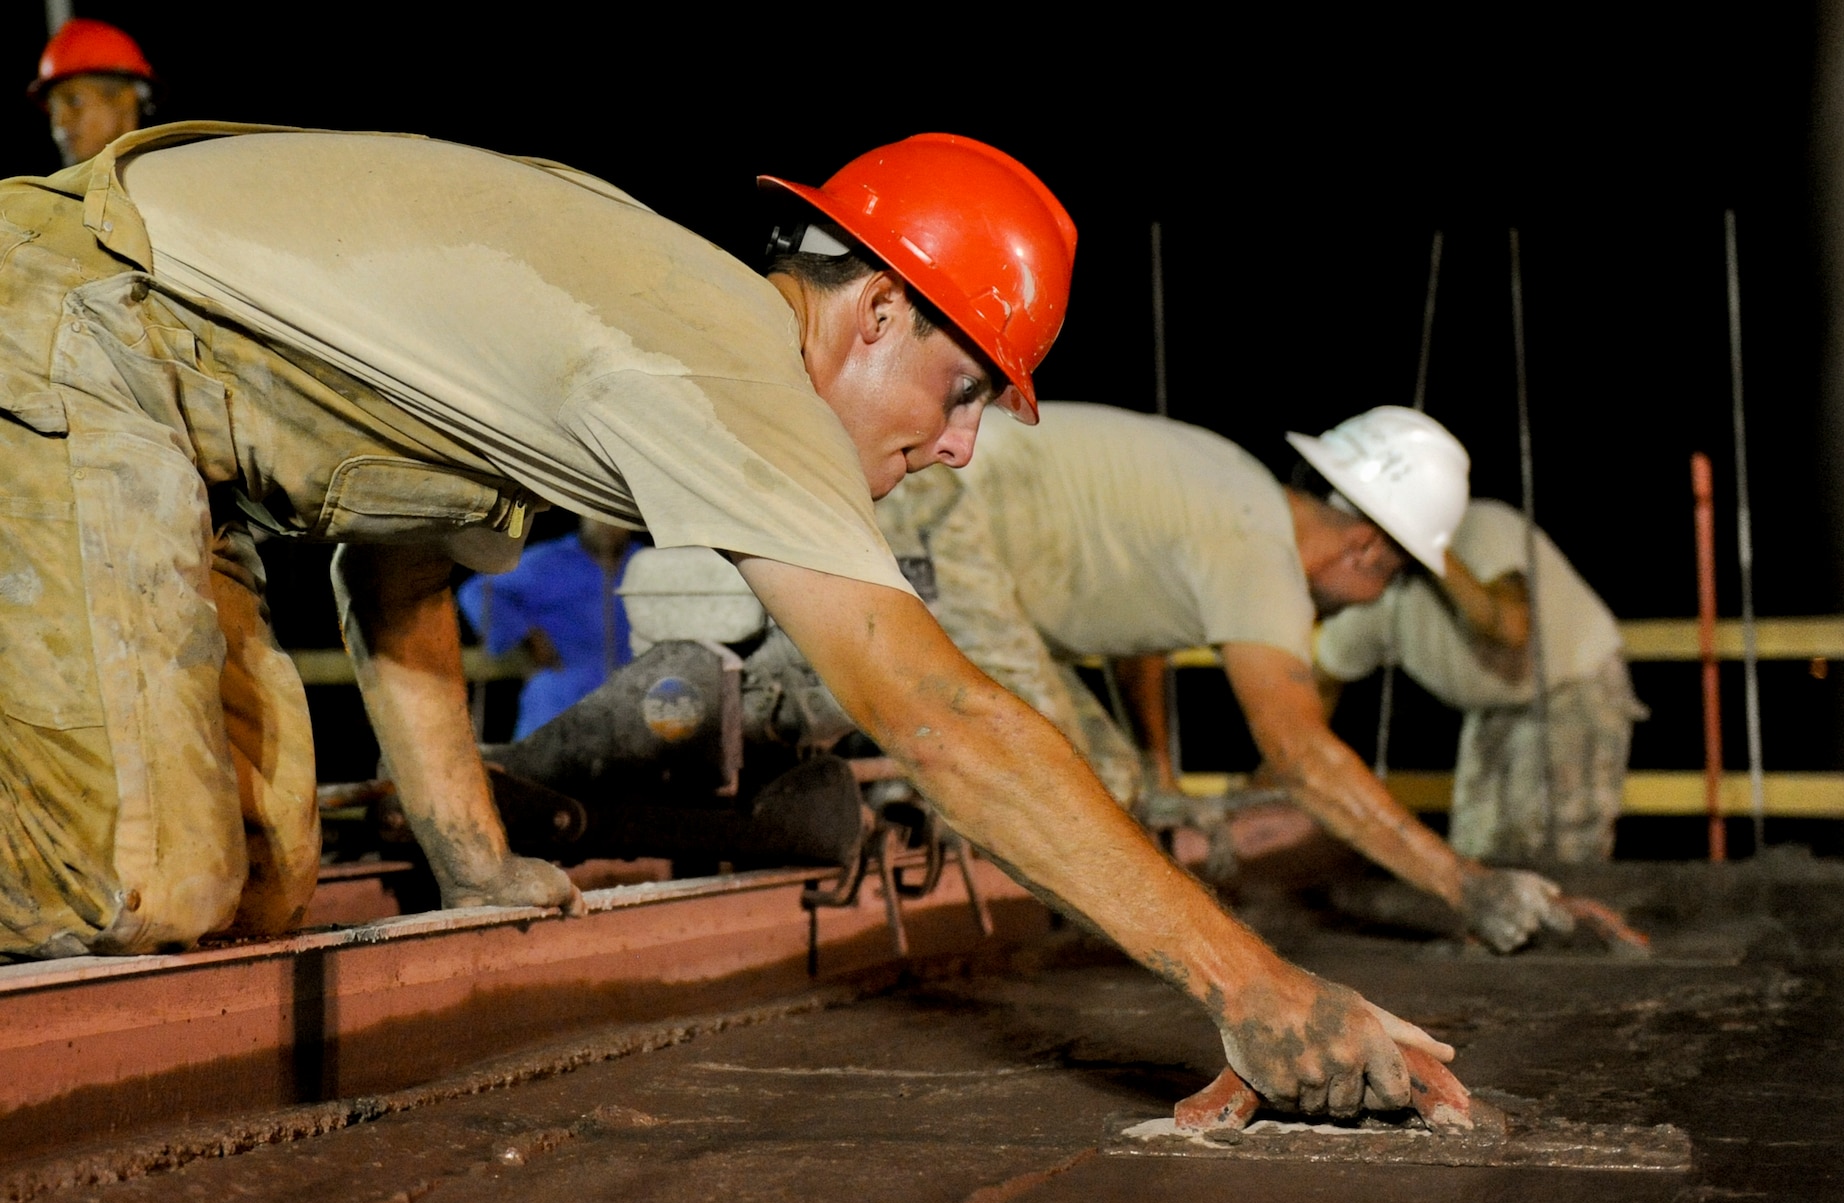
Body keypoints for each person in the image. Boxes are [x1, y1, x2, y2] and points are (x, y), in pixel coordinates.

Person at [0, 125, 1444, 1121]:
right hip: (70, 322)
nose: (958, 447)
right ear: (875, 312)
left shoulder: (654, 316)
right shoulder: (730, 357)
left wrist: (472, 858)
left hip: (173, 429)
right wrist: (1249, 982)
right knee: (143, 886)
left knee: (252, 887)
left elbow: (396, 557)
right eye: (963, 393)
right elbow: (931, 711)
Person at [874, 402, 1574, 954]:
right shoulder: (1258, 550)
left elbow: (1135, 636)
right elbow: (1298, 753)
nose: (1369, 605)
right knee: (1052, 776)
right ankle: (898, 797)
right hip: (942, 508)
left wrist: (1154, 772)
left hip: (958, 509)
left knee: (1107, 785)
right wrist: (1464, 882)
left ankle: (927, 791)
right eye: (1388, 585)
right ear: (1367, 549)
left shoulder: (1233, 496)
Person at [1313, 498, 1645, 862]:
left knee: (1555, 856)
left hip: (1573, 686)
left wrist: (1427, 548)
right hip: (1491, 707)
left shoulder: (1482, 526)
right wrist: (1277, 783)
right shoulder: (1372, 589)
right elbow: (1321, 684)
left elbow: (1510, 628)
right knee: (1477, 856)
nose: (1361, 552)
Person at [458, 517, 637, 738]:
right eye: (597, 516)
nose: (608, 526)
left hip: (629, 706)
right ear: (582, 515)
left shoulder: (644, 564)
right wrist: (525, 632)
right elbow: (477, 591)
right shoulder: (550, 560)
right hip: (559, 699)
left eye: (616, 518)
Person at [27, 19, 153, 167]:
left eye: (74, 101)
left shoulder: (174, 180)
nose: (59, 122)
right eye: (53, 108)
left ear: (124, 100)